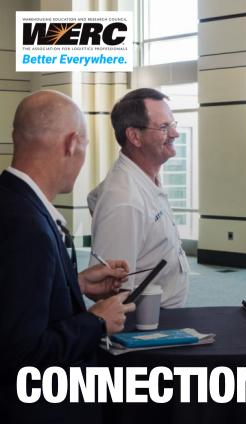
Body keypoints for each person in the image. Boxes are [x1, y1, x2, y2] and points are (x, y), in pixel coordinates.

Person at [0, 90, 136, 423]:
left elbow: (12, 299)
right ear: (71, 143)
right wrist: (96, 321)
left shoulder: (11, 202)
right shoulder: (28, 226)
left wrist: (74, 284)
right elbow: (21, 353)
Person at [88, 88, 189, 308]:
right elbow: (109, 293)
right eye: (164, 127)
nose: (175, 134)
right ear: (134, 136)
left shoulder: (145, 179)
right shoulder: (124, 201)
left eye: (173, 124)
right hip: (145, 324)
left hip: (164, 317)